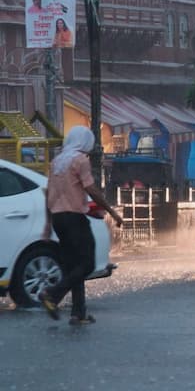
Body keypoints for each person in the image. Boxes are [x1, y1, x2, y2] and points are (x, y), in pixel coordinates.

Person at [39, 126, 123, 325]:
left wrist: (48, 224)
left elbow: (48, 193)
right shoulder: (80, 161)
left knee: (73, 267)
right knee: (87, 264)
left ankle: (78, 313)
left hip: (59, 219)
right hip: (74, 218)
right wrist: (111, 211)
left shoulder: (57, 161)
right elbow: (91, 190)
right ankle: (51, 294)